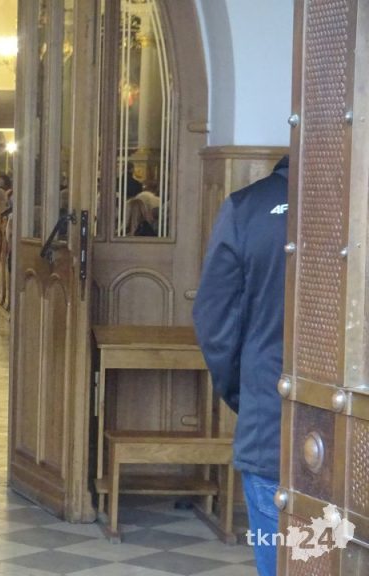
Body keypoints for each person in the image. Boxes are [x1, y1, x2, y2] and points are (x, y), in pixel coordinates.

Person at [193, 156, 289, 576]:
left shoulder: (248, 208)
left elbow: (216, 321)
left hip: (272, 417)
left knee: (282, 561)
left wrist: (244, 394)